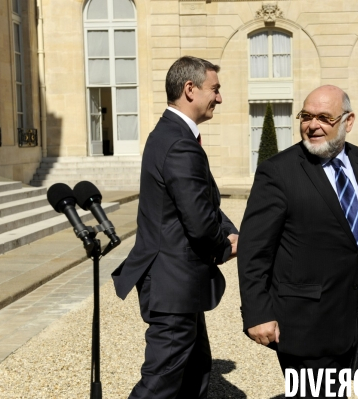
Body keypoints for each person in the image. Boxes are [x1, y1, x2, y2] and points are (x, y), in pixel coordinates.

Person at [237, 85, 358, 398]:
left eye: (324, 117)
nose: (312, 125)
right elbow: (254, 250)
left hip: (357, 317)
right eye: (306, 116)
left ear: (348, 122)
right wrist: (258, 313)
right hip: (305, 323)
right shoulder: (277, 172)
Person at [112, 56, 238, 399]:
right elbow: (199, 222)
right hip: (173, 284)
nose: (220, 98)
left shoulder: (171, 134)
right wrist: (227, 245)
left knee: (195, 371)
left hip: (178, 282)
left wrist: (232, 231)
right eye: (215, 89)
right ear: (190, 89)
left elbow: (200, 203)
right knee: (160, 385)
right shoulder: (179, 142)